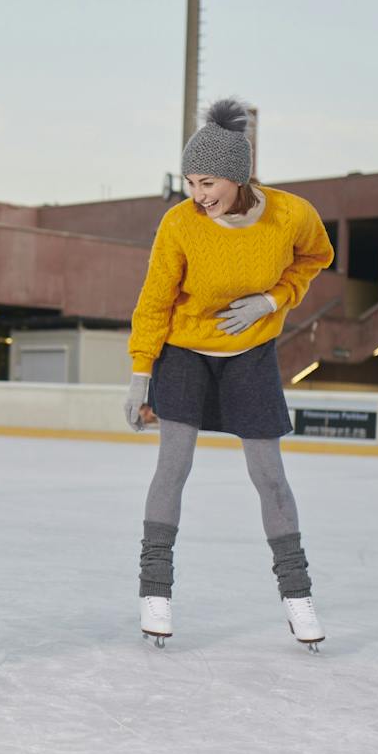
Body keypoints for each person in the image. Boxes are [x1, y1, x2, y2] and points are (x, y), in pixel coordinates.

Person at [123, 98, 335, 651]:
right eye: (191, 181)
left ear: (237, 176)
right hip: (186, 350)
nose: (199, 194)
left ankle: (297, 595)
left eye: (208, 180)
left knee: (269, 475)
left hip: (251, 351)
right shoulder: (180, 224)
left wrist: (272, 299)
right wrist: (141, 373)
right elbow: (154, 299)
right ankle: (155, 592)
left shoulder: (292, 215)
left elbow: (315, 258)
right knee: (174, 466)